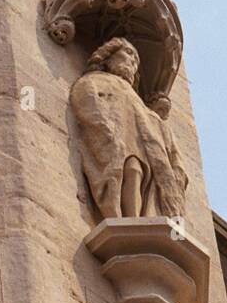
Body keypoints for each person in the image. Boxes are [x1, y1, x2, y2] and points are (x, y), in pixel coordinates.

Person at [70, 38, 188, 220]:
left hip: (142, 147)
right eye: (128, 54)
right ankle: (128, 219)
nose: (133, 62)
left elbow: (153, 125)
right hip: (116, 141)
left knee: (140, 174)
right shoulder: (94, 80)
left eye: (136, 61)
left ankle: (140, 220)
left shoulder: (136, 98)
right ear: (108, 58)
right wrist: (108, 134)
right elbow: (87, 103)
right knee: (132, 169)